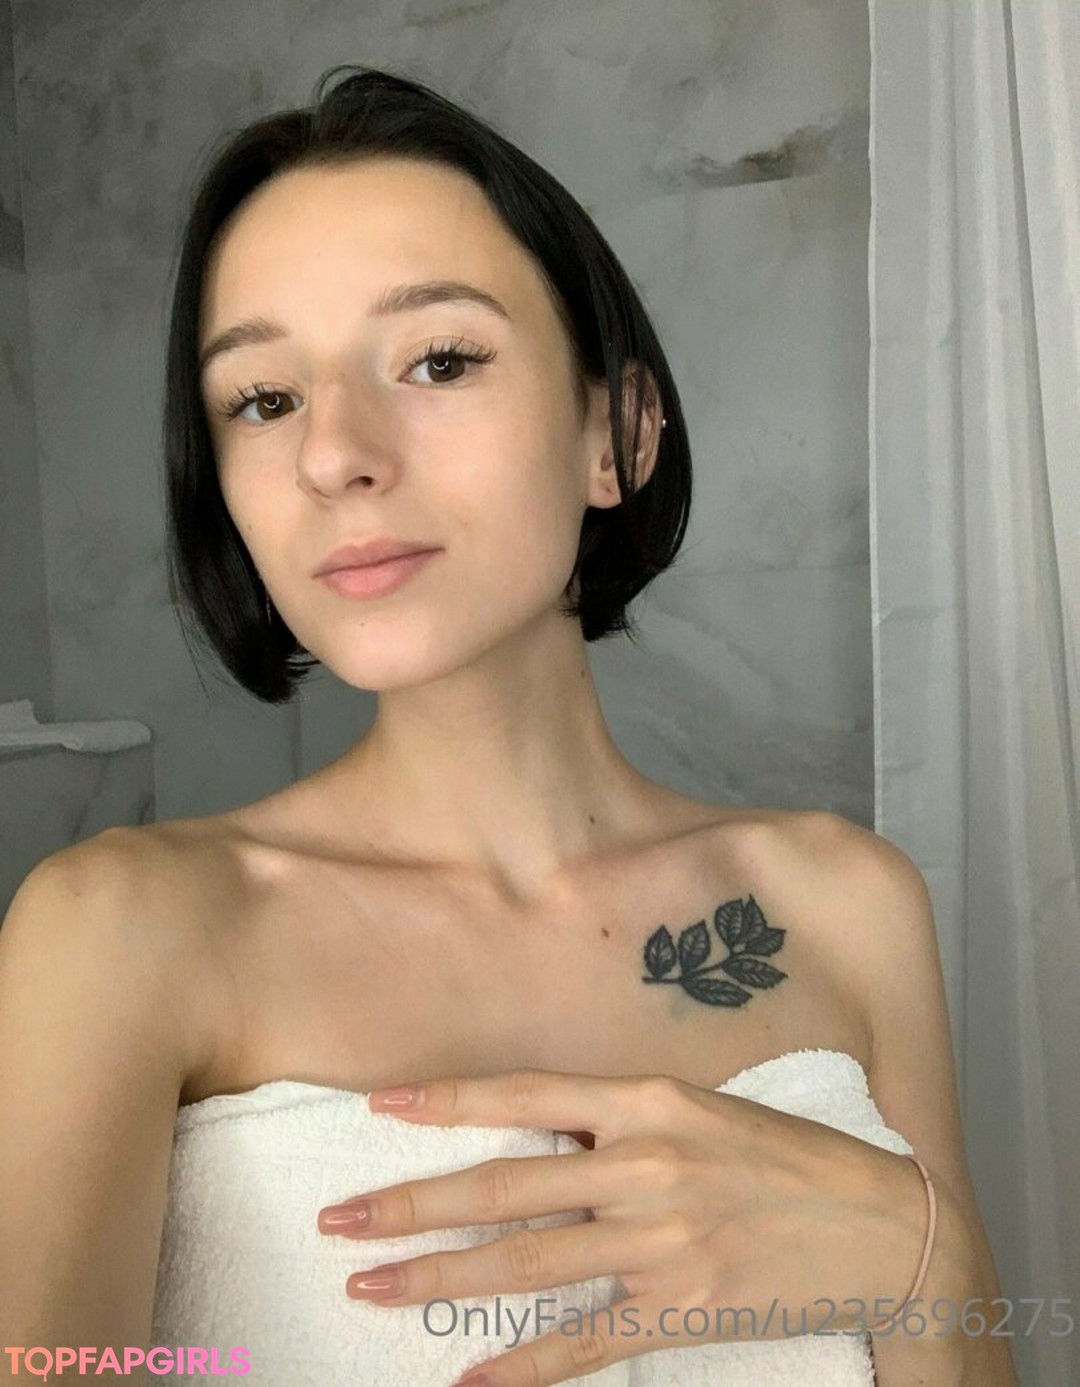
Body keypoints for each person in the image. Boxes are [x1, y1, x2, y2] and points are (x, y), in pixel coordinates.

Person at [0, 64, 1016, 1387]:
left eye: (439, 360)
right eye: (264, 398)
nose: (334, 454)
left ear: (618, 432)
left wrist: (925, 1259)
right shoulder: (117, 934)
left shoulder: (845, 908)